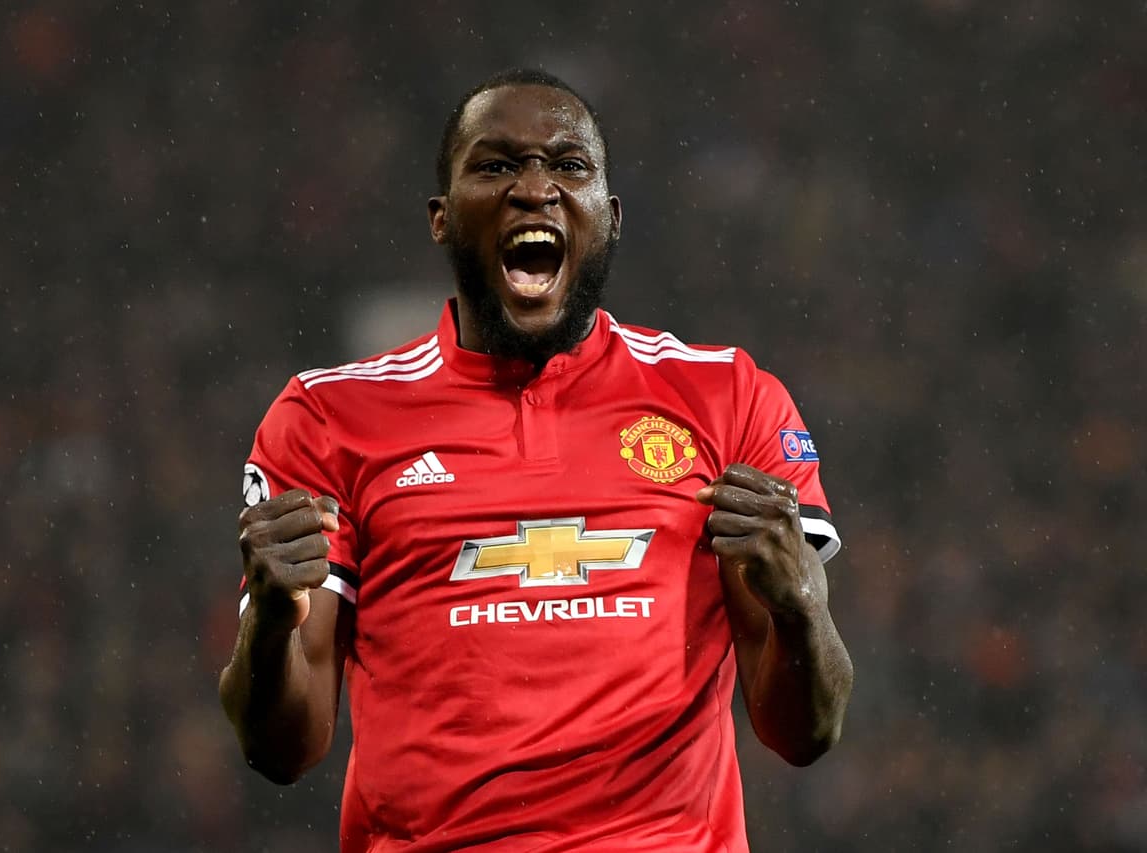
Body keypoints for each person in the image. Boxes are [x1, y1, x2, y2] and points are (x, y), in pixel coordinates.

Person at [220, 68, 853, 853]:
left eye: (569, 165)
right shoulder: (326, 418)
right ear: (442, 219)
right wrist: (271, 626)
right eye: (495, 165)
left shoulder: (727, 399)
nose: (535, 188)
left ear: (610, 218)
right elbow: (284, 747)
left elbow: (807, 731)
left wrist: (801, 610)